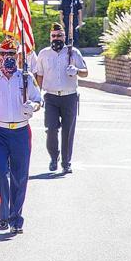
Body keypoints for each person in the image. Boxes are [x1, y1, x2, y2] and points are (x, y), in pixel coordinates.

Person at [0, 39, 41, 234]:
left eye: (12, 54)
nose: (8, 58)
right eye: (5, 54)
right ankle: (3, 215)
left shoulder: (26, 77)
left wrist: (32, 106)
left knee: (19, 176)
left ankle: (16, 218)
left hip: (21, 131)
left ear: (18, 57)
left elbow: (38, 101)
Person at [36, 23, 88, 173]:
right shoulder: (44, 54)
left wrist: (77, 70)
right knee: (51, 129)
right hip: (51, 97)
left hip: (69, 97)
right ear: (50, 37)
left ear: (64, 37)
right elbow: (39, 75)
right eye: (53, 36)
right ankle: (54, 157)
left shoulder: (73, 53)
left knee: (68, 131)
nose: (56, 38)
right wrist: (37, 95)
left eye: (59, 36)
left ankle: (66, 162)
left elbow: (86, 72)